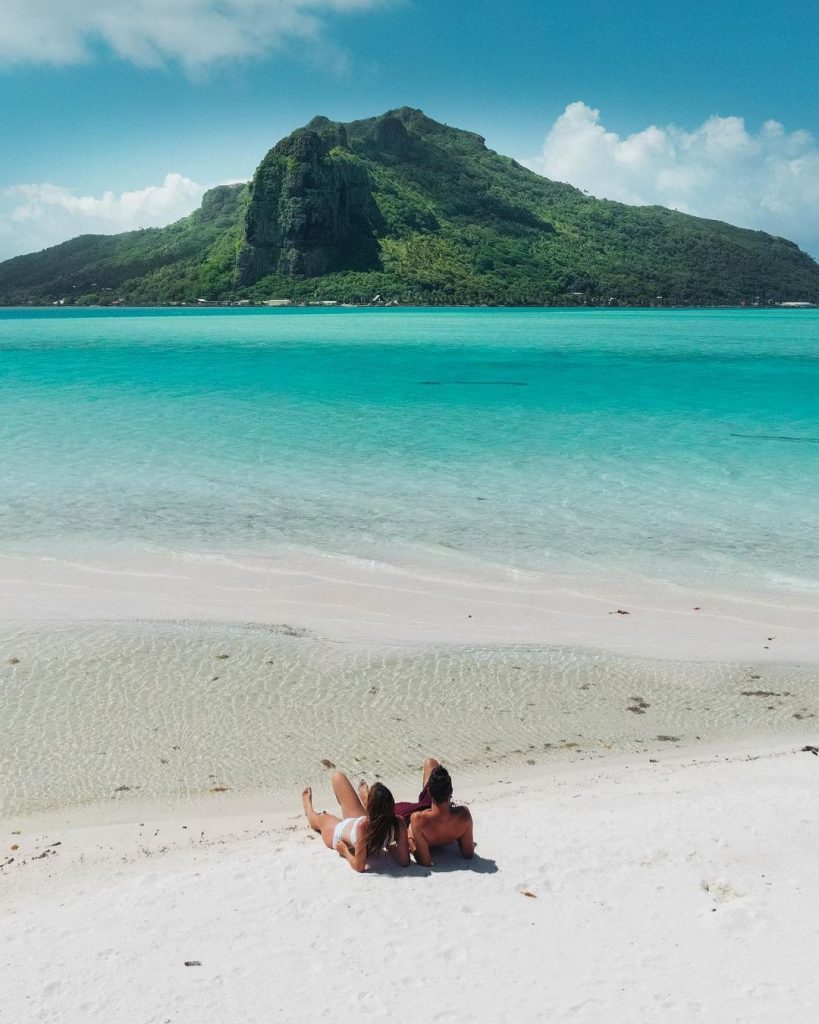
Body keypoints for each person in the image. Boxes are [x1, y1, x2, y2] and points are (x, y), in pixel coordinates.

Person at [302, 771, 409, 873]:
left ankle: (308, 807)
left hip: (338, 832)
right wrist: (391, 847)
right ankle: (365, 798)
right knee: (338, 777)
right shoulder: (399, 823)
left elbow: (359, 867)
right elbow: (405, 862)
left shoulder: (363, 826)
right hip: (358, 821)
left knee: (321, 818)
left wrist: (344, 851)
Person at [392, 757, 474, 868]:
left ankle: (367, 796)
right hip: (433, 809)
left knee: (387, 808)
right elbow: (468, 854)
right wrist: (457, 835)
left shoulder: (417, 819)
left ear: (429, 792)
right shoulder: (464, 814)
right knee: (430, 762)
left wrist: (409, 839)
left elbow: (425, 862)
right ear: (451, 791)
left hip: (425, 817)